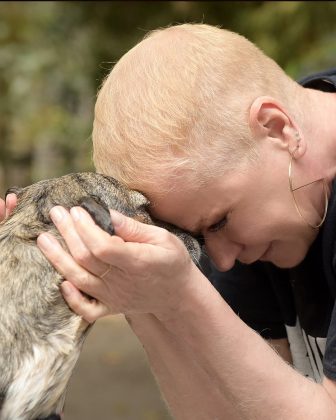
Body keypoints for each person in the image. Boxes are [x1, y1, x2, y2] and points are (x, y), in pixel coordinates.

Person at [4, 23, 336, 418]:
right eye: (199, 236)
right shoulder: (248, 214)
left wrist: (185, 297)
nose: (223, 261)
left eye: (218, 223)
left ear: (276, 128)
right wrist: (132, 287)